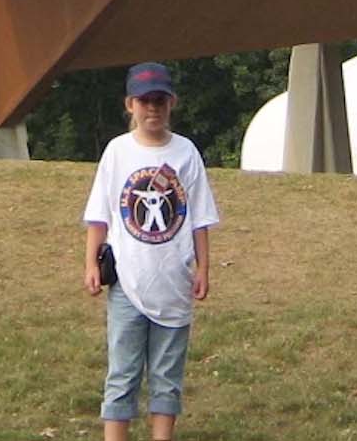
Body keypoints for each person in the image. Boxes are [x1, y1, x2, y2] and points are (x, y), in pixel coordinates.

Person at [82, 62, 220, 441]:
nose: (152, 109)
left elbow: (200, 218)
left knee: (166, 377)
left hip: (174, 283)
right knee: (122, 374)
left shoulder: (186, 153)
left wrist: (203, 268)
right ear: (130, 105)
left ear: (171, 102)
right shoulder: (117, 152)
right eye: (145, 101)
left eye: (159, 100)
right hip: (128, 282)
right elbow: (99, 215)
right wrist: (91, 264)